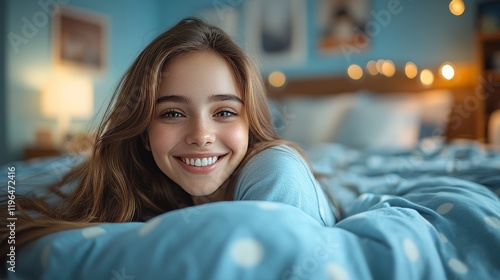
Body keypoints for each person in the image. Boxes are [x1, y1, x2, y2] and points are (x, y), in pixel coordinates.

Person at [0, 18, 337, 259]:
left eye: (224, 112)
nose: (201, 136)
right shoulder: (141, 180)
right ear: (144, 133)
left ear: (250, 125)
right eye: (173, 113)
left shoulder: (276, 171)